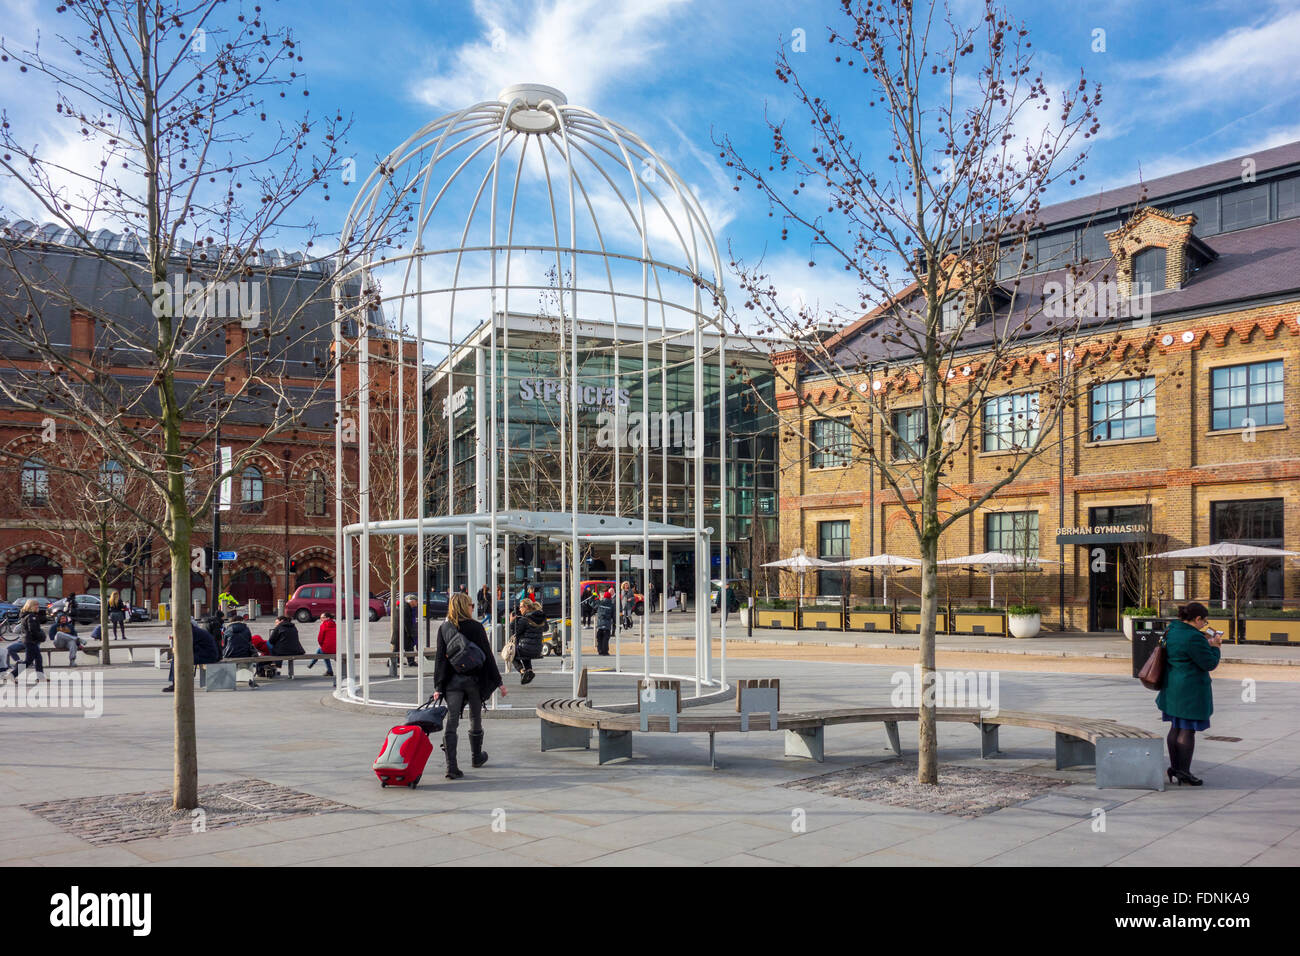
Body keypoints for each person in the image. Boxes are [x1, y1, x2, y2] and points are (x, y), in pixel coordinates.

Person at [432, 591, 505, 780]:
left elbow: (440, 660)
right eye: (471, 605)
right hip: (473, 681)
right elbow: (488, 656)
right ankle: (476, 757)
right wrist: (499, 682)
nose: (473, 608)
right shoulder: (476, 627)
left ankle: (452, 767)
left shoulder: (445, 628)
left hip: (452, 683)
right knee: (475, 717)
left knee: (452, 721)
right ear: (466, 607)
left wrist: (438, 687)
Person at [1156, 602, 1222, 786]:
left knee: (1175, 727)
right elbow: (1209, 663)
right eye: (1204, 621)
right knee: (1187, 730)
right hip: (1189, 690)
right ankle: (1184, 772)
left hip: (1172, 687)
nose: (1204, 625)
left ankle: (1175, 768)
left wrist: (1205, 644)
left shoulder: (1173, 629)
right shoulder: (1194, 637)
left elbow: (1184, 652)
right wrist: (1215, 647)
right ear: (1197, 619)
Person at [162, 621, 220, 692]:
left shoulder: (192, 633)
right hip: (206, 654)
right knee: (177, 659)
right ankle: (177, 683)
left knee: (177, 659)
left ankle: (176, 684)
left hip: (208, 656)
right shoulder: (194, 631)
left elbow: (185, 648)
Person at [7, 599, 46, 682]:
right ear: (31, 606)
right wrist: (41, 636)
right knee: (30, 661)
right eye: (36, 605)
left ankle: (40, 677)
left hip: (28, 640)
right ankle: (13, 674)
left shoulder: (26, 615)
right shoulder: (32, 616)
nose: (37, 607)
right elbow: (33, 630)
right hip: (31, 641)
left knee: (36, 659)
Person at [510, 598, 546, 685]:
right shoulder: (541, 618)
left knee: (511, 653)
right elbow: (546, 628)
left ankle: (522, 671)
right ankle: (529, 670)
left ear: (526, 607)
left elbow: (516, 633)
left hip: (526, 649)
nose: (519, 609)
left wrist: (512, 622)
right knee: (525, 650)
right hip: (538, 649)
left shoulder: (524, 620)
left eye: (521, 607)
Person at [310, 610, 336, 676]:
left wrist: (322, 645)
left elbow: (320, 639)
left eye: (322, 617)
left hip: (327, 648)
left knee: (321, 651)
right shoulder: (335, 625)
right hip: (335, 648)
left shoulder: (323, 625)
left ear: (328, 618)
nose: (321, 619)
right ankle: (329, 671)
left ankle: (312, 663)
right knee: (323, 652)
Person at [594, 588, 615, 656]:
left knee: (599, 638)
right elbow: (613, 615)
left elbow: (592, 605)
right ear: (610, 597)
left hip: (600, 624)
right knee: (606, 638)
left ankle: (600, 650)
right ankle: (605, 651)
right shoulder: (612, 605)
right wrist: (615, 623)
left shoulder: (600, 603)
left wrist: (594, 597)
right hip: (607, 624)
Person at [400, 594, 419, 667]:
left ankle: (411, 661)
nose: (417, 603)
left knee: (409, 647)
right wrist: (410, 633)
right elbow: (406, 622)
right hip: (404, 632)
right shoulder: (406, 608)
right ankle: (392, 662)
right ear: (412, 601)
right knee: (401, 647)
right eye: (416, 601)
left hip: (404, 632)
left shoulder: (407, 607)